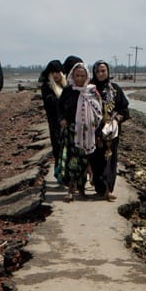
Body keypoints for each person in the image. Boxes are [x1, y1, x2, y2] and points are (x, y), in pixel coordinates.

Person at [57, 62, 101, 202]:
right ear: (72, 76)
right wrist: (62, 119)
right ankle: (70, 189)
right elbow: (59, 108)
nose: (80, 78)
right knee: (71, 160)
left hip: (87, 132)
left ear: (87, 76)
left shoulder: (91, 91)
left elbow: (99, 109)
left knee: (83, 161)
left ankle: (82, 190)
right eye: (77, 75)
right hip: (71, 131)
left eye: (82, 75)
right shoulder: (68, 91)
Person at [88, 60, 131, 201]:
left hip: (111, 133)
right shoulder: (89, 90)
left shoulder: (115, 89)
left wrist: (116, 119)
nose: (101, 74)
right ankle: (99, 188)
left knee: (110, 161)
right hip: (94, 132)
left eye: (103, 71)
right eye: (98, 71)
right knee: (96, 161)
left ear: (108, 72)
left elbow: (124, 109)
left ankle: (107, 189)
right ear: (94, 72)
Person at [38, 59, 65, 179]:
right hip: (55, 122)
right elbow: (50, 103)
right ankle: (59, 172)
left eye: (58, 72)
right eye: (53, 72)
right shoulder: (47, 87)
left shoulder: (66, 85)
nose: (55, 75)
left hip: (68, 122)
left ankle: (68, 174)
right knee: (57, 147)